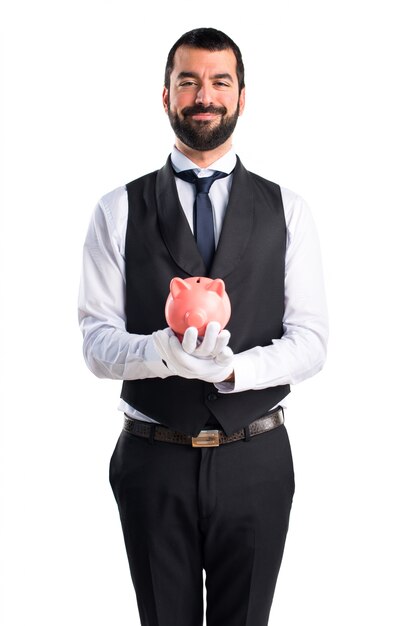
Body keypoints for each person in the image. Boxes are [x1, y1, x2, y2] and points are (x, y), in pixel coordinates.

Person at [78, 27, 328, 626]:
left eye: (220, 81)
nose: (204, 95)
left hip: (257, 457)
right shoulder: (118, 208)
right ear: (165, 96)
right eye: (187, 80)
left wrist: (236, 369)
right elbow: (95, 341)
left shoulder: (287, 209)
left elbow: (312, 341)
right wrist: (163, 352)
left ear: (242, 96)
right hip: (152, 458)